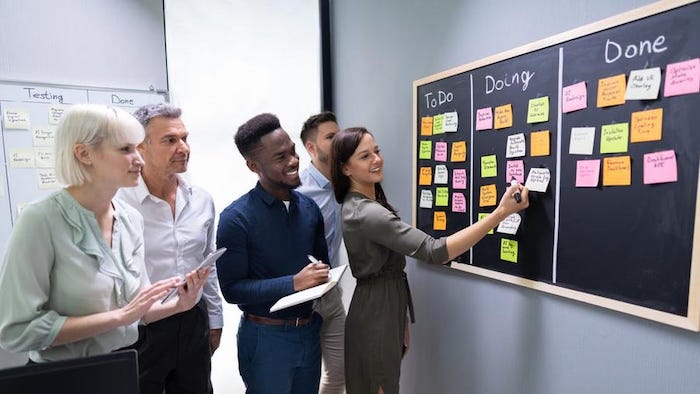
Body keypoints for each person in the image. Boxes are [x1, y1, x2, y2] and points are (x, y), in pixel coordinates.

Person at [0, 104, 208, 363]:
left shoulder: (130, 218)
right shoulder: (40, 220)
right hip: (64, 376)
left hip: (123, 366)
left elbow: (138, 311)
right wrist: (119, 317)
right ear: (84, 154)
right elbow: (16, 332)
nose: (140, 159)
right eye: (125, 149)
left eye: (138, 147)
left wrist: (180, 305)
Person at [330, 127, 529, 394]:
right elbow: (434, 251)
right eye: (365, 156)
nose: (376, 159)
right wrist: (500, 213)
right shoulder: (366, 213)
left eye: (376, 151)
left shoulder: (359, 203)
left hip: (381, 308)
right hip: (376, 315)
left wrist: (399, 319)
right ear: (346, 168)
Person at [216, 113, 330, 394]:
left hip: (308, 331)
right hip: (266, 339)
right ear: (254, 165)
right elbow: (233, 291)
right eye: (281, 157)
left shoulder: (309, 208)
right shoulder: (236, 218)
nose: (293, 161)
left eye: (293, 151)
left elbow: (320, 264)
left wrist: (323, 276)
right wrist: (293, 283)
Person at [116, 103, 223, 393]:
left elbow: (206, 263)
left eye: (184, 138)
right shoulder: (118, 205)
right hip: (143, 329)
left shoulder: (201, 200)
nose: (183, 148)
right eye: (170, 140)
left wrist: (214, 318)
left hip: (193, 321)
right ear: (142, 147)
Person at [297, 111, 346, 394]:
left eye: (339, 134)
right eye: (330, 137)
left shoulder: (346, 184)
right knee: (306, 379)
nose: (339, 141)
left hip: (333, 292)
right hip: (304, 298)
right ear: (311, 148)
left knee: (339, 374)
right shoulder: (298, 192)